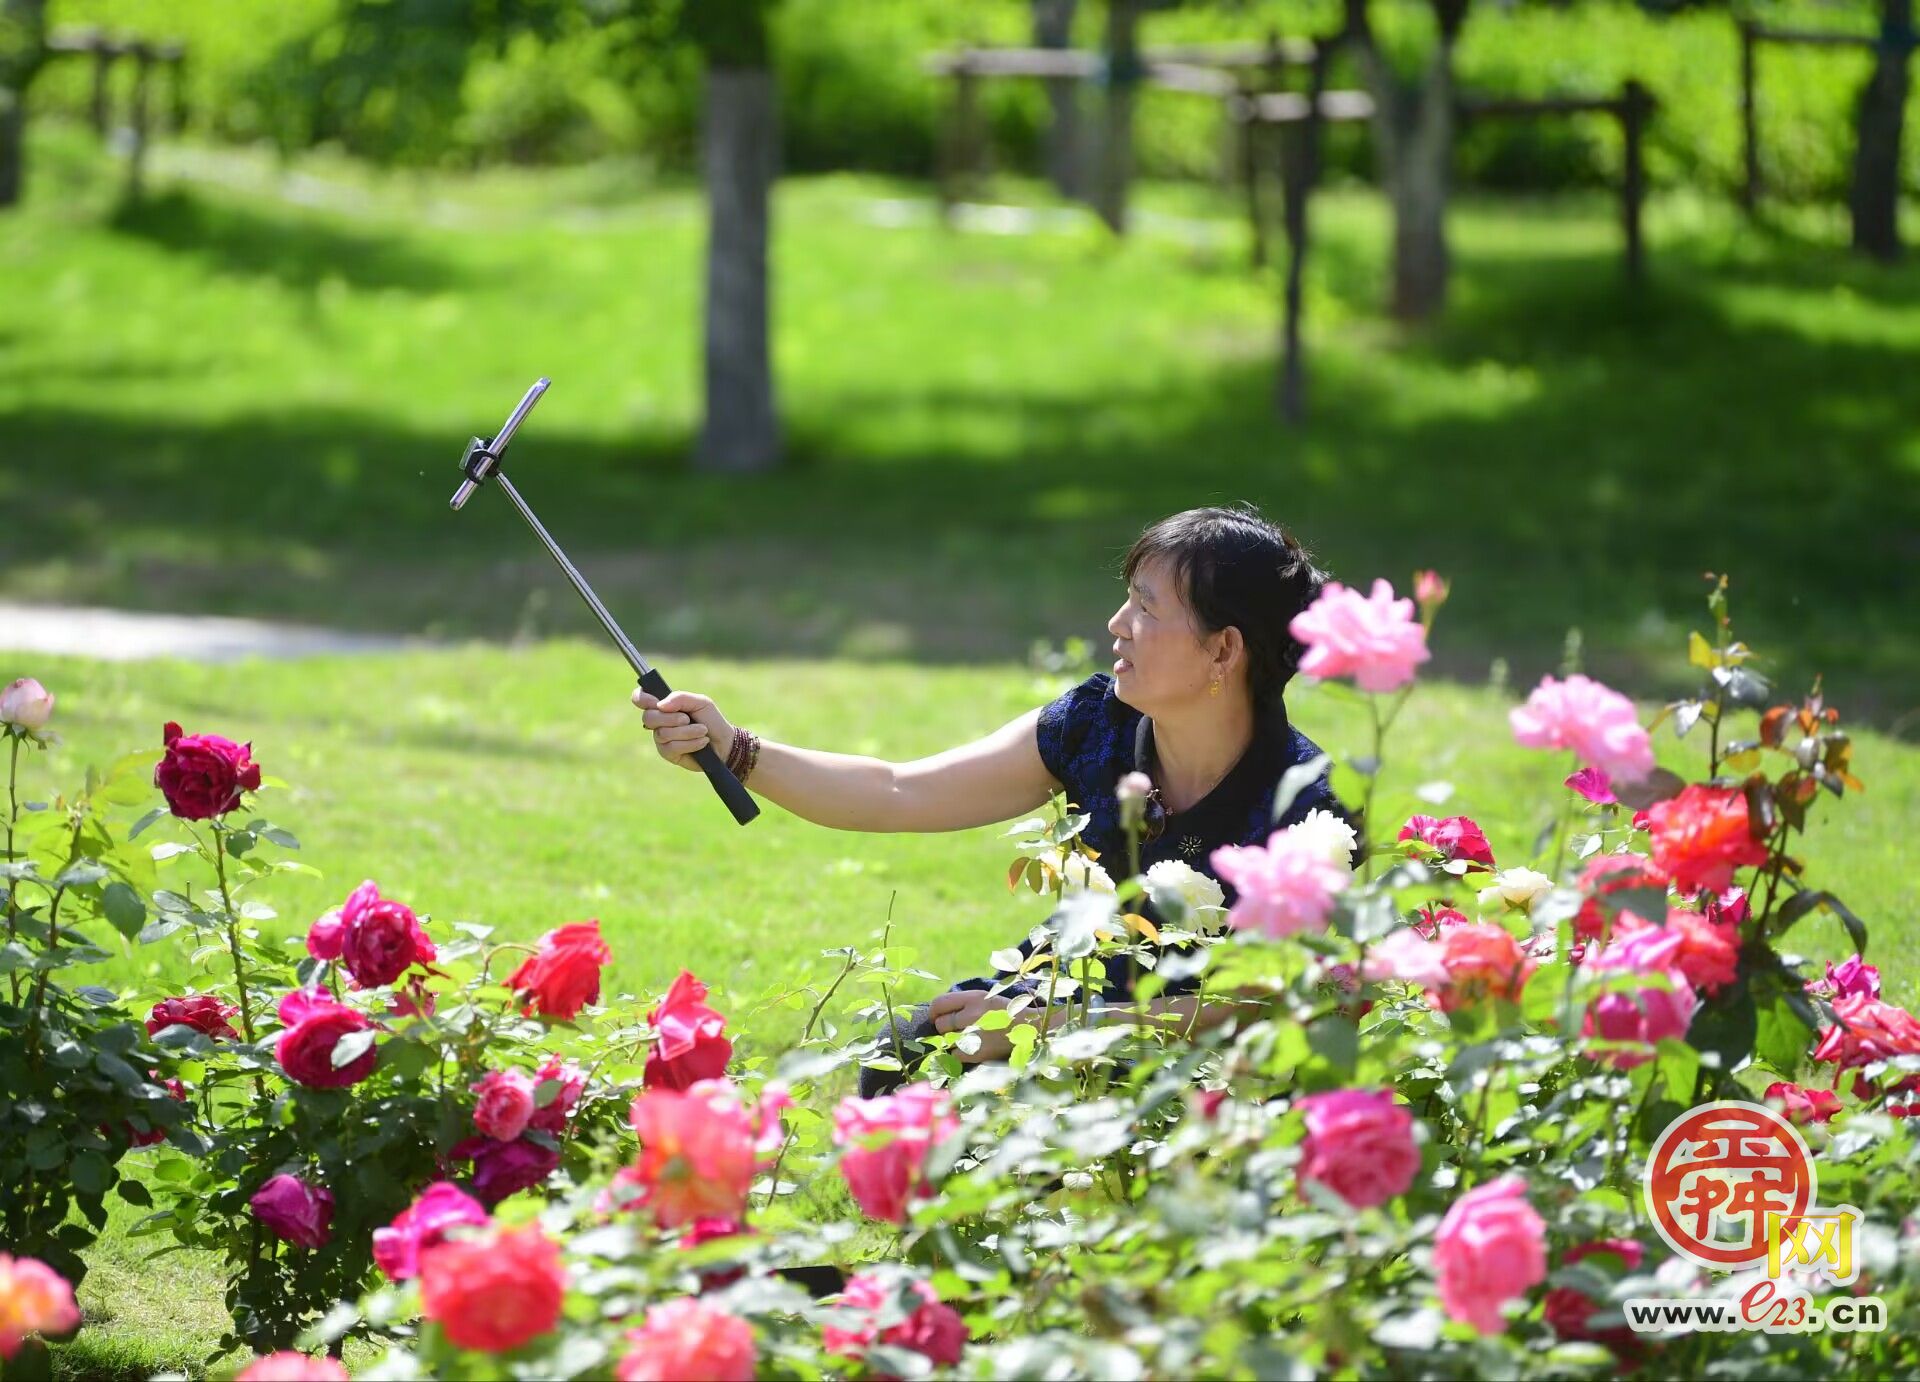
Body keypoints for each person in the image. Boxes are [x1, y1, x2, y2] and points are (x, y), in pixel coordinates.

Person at [631, 504, 1346, 1097]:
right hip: (1059, 985)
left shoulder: (1307, 808)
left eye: (1147, 609)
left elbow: (1263, 1004)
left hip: (1190, 1064)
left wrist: (1058, 1026)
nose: (1117, 625)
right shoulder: (1096, 723)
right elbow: (898, 791)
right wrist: (734, 750)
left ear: (1224, 651)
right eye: (1127, 598)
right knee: (904, 1059)